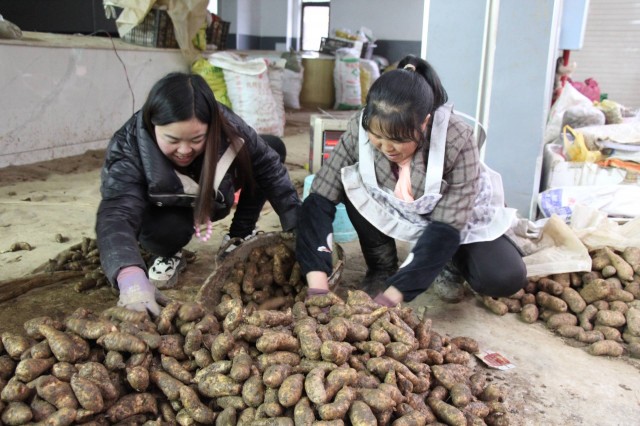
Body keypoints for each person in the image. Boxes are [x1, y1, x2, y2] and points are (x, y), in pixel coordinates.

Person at [296, 55, 527, 307]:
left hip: (454, 216)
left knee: (503, 276)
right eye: (378, 137)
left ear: (425, 123)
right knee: (350, 183)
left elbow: (447, 225)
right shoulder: (358, 129)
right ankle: (382, 266)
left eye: (397, 139)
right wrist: (318, 283)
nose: (387, 148)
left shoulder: (456, 138)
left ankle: (451, 262)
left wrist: (395, 295)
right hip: (397, 203)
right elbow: (319, 198)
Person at [96, 72, 300, 315]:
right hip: (163, 210)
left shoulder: (227, 124)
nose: (184, 150)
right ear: (153, 125)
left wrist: (298, 225)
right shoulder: (128, 147)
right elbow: (116, 212)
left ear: (211, 126)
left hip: (211, 194)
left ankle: (240, 234)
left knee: (271, 147)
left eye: (196, 139)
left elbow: (268, 167)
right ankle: (167, 253)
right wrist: (129, 276)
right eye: (172, 139)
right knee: (167, 232)